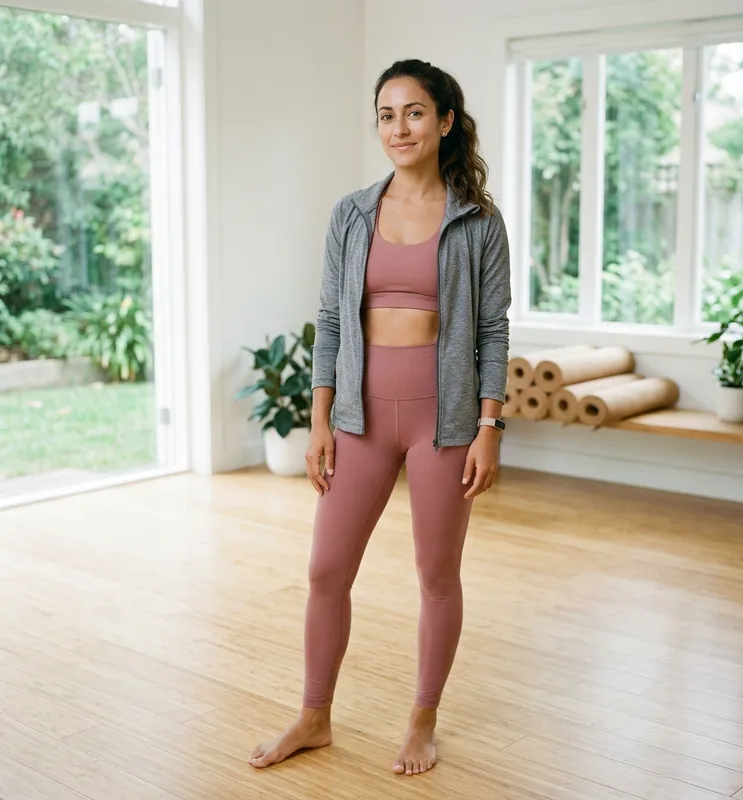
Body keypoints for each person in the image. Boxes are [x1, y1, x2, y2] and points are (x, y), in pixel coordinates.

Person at [249, 58, 511, 777]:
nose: (399, 128)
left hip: (444, 421)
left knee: (437, 575)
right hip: (359, 419)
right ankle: (314, 716)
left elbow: (493, 331)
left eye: (415, 112)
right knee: (325, 570)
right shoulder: (352, 213)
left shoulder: (477, 221)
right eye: (387, 115)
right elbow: (332, 321)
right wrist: (320, 420)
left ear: (445, 122)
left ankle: (423, 719)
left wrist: (489, 428)